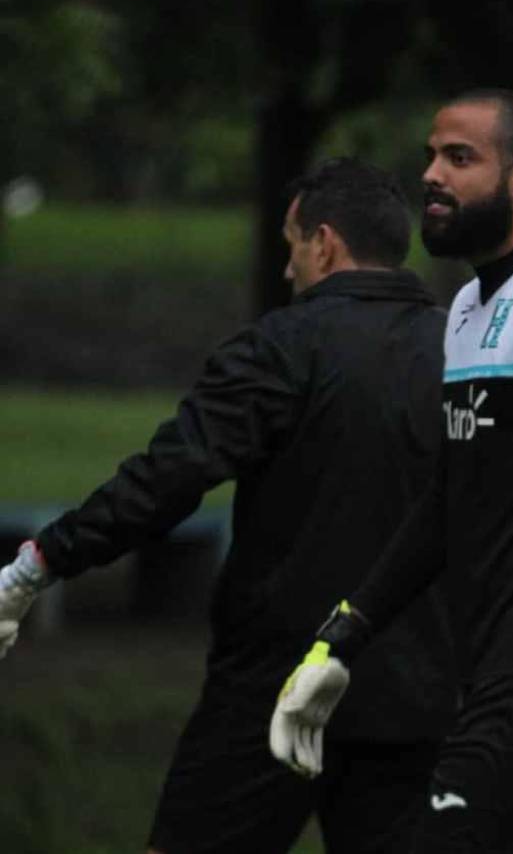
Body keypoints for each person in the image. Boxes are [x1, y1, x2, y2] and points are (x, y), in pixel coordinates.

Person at [0, 158, 455, 854]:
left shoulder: (281, 347)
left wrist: (40, 561)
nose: (287, 269)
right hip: (416, 690)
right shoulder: (463, 356)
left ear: (325, 243)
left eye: (292, 245)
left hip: (273, 681)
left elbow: (166, 481)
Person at [269, 89, 513, 853]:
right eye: (429, 156)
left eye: (459, 157)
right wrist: (343, 638)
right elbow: (447, 502)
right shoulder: (466, 311)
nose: (432, 175)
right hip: (486, 667)